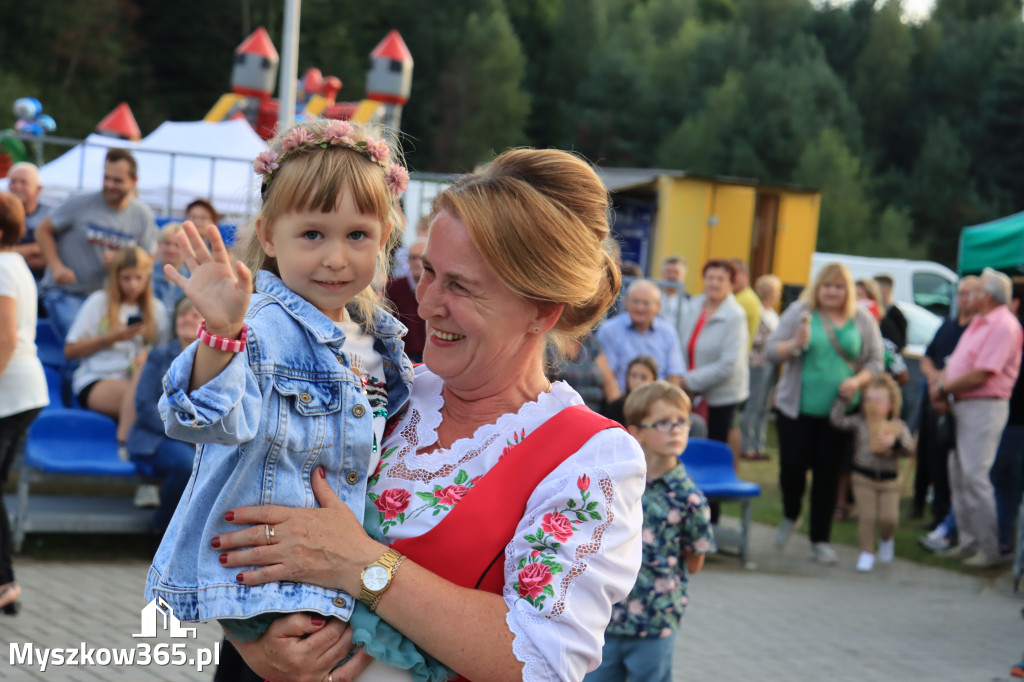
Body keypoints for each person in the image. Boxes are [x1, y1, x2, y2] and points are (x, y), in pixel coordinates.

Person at [213, 148, 646, 681]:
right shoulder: (372, 386)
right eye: (428, 272)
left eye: (461, 286)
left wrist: (362, 564)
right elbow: (236, 510)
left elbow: (541, 661)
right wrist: (252, 647)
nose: (427, 304)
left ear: (542, 310)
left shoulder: (588, 458)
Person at [150, 119, 418, 653]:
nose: (335, 258)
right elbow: (201, 419)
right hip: (270, 593)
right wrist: (222, 337)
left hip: (335, 583)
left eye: (357, 235)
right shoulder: (264, 324)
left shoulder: (378, 335)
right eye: (313, 234)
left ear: (384, 236)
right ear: (270, 235)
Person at [585, 381, 714, 682]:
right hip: (607, 618)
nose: (676, 429)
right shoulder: (614, 486)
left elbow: (694, 562)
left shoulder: (689, 497)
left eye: (682, 421)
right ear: (636, 432)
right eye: (663, 422)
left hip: (656, 621)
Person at [767, 262, 883, 565]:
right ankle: (792, 514)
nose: (833, 291)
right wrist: (794, 344)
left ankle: (820, 540)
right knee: (791, 468)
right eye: (827, 285)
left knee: (827, 477)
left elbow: (876, 361)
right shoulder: (800, 312)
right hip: (796, 409)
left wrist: (857, 381)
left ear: (848, 291)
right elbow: (770, 350)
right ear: (818, 287)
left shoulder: (862, 318)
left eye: (839, 286)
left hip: (839, 413)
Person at [930, 268, 1023, 568]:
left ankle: (989, 547)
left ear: (988, 296)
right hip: (963, 403)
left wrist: (944, 387)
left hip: (984, 406)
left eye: (976, 290)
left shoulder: (1003, 325)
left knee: (976, 476)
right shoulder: (979, 323)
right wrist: (943, 387)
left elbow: (984, 371)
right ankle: (968, 541)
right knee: (958, 473)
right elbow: (957, 361)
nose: (969, 295)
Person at [35, 148, 158, 340]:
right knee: (82, 344)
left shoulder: (143, 216)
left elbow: (148, 258)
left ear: (134, 181)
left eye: (117, 180)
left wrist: (122, 263)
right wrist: (56, 267)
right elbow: (43, 230)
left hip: (110, 300)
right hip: (68, 293)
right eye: (106, 178)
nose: (109, 185)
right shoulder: (80, 202)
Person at [0, 191, 49, 615]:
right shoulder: (15, 264)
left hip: (9, 390)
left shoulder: (0, 267)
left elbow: (4, 339)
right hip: (24, 391)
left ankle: (5, 583)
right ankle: (5, 583)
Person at [63, 245, 168, 442]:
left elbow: (162, 354)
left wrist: (146, 357)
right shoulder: (98, 302)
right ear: (115, 277)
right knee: (147, 400)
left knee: (145, 377)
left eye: (139, 278)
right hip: (97, 378)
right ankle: (125, 441)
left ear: (147, 278)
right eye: (126, 278)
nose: (132, 285)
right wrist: (109, 339)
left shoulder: (157, 310)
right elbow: (70, 350)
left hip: (136, 379)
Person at [125, 296, 202, 535]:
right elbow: (145, 406)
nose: (187, 319)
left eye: (194, 315)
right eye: (182, 315)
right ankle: (161, 530)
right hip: (155, 438)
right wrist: (186, 432)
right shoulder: (158, 356)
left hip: (199, 437)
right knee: (187, 466)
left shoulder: (213, 360)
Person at [830, 374, 913, 572]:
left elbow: (910, 449)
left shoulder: (897, 427)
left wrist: (896, 444)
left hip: (889, 481)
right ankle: (866, 553)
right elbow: (838, 421)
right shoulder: (860, 422)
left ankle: (886, 538)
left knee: (889, 519)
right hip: (862, 477)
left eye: (879, 401)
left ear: (891, 404)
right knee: (867, 517)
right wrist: (842, 399)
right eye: (868, 399)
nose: (872, 405)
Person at [917, 276, 978, 539]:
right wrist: (934, 377)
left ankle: (953, 520)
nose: (963, 298)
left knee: (954, 460)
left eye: (968, 293)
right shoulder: (948, 326)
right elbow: (927, 357)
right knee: (933, 457)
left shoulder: (976, 330)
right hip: (935, 397)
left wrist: (944, 382)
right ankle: (938, 513)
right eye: (960, 293)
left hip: (957, 402)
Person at [677, 259, 749, 446]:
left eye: (720, 279)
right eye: (710, 278)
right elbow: (680, 343)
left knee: (713, 446)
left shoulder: (735, 315)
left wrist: (688, 381)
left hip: (719, 397)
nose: (714, 283)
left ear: (732, 284)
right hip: (688, 391)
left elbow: (728, 365)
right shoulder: (693, 305)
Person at [596, 278, 685, 401]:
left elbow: (673, 377)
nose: (639, 308)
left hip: (657, 406)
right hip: (621, 403)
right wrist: (619, 410)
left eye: (646, 303)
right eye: (635, 301)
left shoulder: (668, 333)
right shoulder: (609, 330)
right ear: (626, 302)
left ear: (658, 306)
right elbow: (608, 377)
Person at [989, 278, 1024, 558]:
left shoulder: (1011, 329)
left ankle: (996, 540)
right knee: (1007, 481)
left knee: (993, 475)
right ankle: (1003, 540)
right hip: (1013, 417)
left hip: (1013, 418)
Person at [740, 274, 781, 461]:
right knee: (754, 405)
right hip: (757, 363)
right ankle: (747, 445)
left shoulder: (773, 314)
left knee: (765, 406)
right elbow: (750, 337)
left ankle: (759, 445)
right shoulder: (758, 311)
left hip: (771, 364)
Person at [384, 238, 427, 363]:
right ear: (408, 260)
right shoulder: (393, 288)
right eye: (413, 258)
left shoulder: (438, 288)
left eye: (421, 258)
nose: (417, 262)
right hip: (405, 357)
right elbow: (389, 328)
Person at [7, 162, 49, 281]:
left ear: (38, 189)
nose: (17, 187)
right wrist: (34, 248)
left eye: (23, 182)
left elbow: (52, 258)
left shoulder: (50, 216)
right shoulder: (2, 212)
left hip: (42, 286)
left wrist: (8, 255)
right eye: (13, 182)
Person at [546, 332, 607, 413]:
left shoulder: (589, 340)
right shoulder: (547, 341)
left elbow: (611, 387)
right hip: (560, 414)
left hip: (596, 415)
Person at [602, 354, 659, 426]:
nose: (637, 381)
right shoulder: (616, 407)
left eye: (643, 377)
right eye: (634, 376)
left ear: (653, 380)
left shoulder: (658, 408)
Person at [150, 222, 188, 317]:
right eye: (167, 243)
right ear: (159, 245)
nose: (171, 249)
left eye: (177, 245)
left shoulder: (192, 278)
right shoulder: (146, 274)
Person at [729, 258, 761, 351]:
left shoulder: (746, 299)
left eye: (733, 273)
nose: (730, 278)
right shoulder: (737, 297)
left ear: (745, 275)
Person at [874, 274, 908, 351]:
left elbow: (900, 344)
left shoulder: (897, 316)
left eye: (875, 289)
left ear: (886, 290)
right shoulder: (873, 311)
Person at [657, 255, 687, 331]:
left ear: (683, 276)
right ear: (661, 274)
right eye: (668, 271)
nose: (671, 276)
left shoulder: (689, 304)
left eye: (676, 272)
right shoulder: (649, 298)